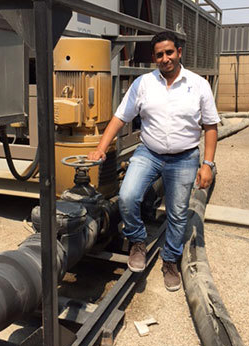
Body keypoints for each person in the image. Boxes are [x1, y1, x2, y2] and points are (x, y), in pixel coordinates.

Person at [88, 31, 220, 292]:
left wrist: (208, 164)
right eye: (159, 54)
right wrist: (100, 148)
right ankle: (137, 241)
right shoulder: (143, 84)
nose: (165, 58)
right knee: (127, 196)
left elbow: (211, 126)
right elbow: (119, 118)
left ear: (179, 52)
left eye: (169, 52)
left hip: (184, 157)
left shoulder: (198, 85)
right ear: (154, 58)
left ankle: (170, 260)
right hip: (149, 152)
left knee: (178, 213)